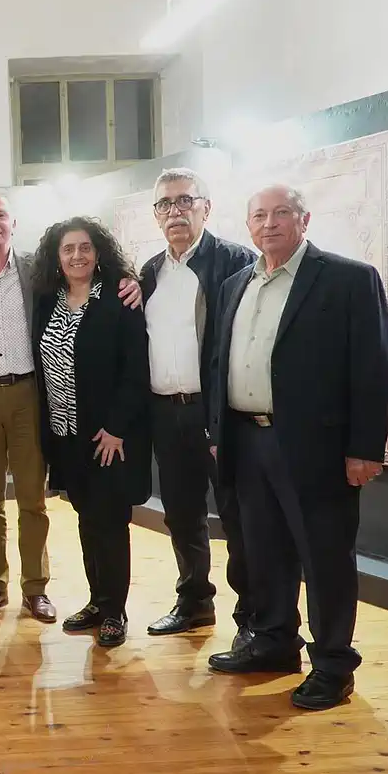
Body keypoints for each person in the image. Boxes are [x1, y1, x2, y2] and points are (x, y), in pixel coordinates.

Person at [207, 184, 388, 711]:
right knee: (263, 550)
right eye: (259, 215)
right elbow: (219, 361)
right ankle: (273, 640)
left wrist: (364, 447)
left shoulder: (349, 279)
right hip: (246, 440)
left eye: (281, 213)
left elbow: (373, 367)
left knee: (324, 556)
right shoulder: (236, 284)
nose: (269, 223)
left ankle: (332, 664)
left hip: (316, 448)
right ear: (248, 225)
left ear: (304, 219)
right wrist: (218, 433)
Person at [0, 188, 144, 623]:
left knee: (33, 501)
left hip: (28, 397)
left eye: (1, 215)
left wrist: (134, 282)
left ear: (13, 223)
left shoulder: (34, 274)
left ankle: (35, 588)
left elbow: (106, 298)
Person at [138, 168, 257, 647]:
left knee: (236, 515)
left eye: (185, 200)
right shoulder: (149, 273)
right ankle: (194, 602)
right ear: (156, 215)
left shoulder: (235, 261)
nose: (175, 211)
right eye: (165, 204)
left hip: (217, 414)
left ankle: (252, 617)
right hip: (167, 413)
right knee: (181, 512)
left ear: (206, 207)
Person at [31, 217, 151, 648]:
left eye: (85, 247)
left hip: (108, 437)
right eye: (68, 249)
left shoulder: (120, 298)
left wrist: (116, 428)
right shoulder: (48, 300)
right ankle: (97, 602)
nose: (77, 256)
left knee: (111, 522)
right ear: (57, 257)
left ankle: (115, 610)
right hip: (66, 435)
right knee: (86, 517)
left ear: (98, 253)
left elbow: (136, 369)